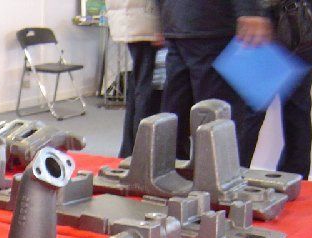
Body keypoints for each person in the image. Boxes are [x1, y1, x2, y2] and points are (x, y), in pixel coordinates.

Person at [156, 0, 272, 165]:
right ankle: (219, 176)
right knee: (218, 117)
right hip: (212, 23)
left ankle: (172, 174)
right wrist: (249, 10)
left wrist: (162, 18)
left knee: (176, 114)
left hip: (177, 21)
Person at [244, 0, 312, 178]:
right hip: (308, 25)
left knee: (248, 113)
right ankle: (294, 182)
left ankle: (231, 182)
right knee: (297, 111)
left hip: (277, 24)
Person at [106, 0, 164, 158]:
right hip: (147, 19)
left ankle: (130, 151)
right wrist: (161, 25)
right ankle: (141, 152)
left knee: (139, 85)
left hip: (132, 18)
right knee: (147, 89)